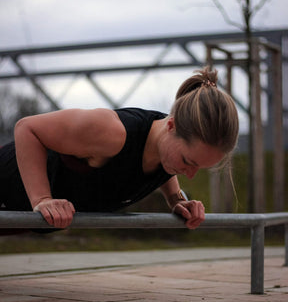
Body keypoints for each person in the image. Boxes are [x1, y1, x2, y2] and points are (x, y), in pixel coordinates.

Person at [0, 67, 239, 231]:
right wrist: (42, 199)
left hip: (14, 221)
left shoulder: (167, 150)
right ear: (171, 125)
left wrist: (176, 200)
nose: (189, 173)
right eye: (189, 161)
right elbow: (27, 128)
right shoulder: (111, 133)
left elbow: (162, 165)